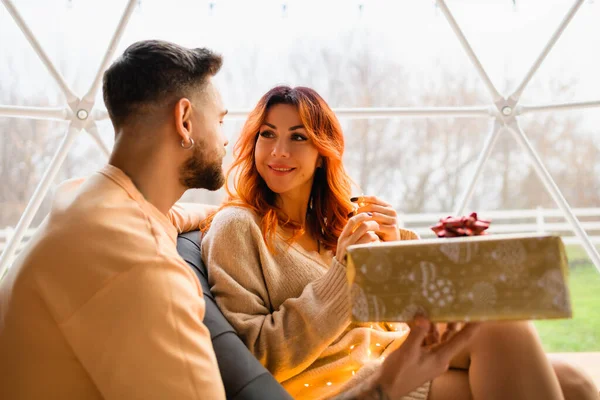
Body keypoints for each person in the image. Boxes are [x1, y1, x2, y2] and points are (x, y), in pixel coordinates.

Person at [0, 39, 482, 400]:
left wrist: (226, 212)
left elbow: (167, 216)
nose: (232, 140)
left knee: (535, 358)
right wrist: (382, 387)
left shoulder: (85, 201)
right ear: (186, 121)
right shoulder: (145, 275)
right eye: (224, 120)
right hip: (335, 380)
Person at [202, 85, 599, 400]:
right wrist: (346, 272)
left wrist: (394, 253)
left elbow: (384, 320)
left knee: (575, 384)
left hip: (390, 354)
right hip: (343, 384)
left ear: (323, 154)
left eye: (298, 137)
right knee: (503, 333)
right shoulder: (238, 226)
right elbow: (256, 355)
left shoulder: (332, 223)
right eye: (267, 135)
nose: (279, 151)